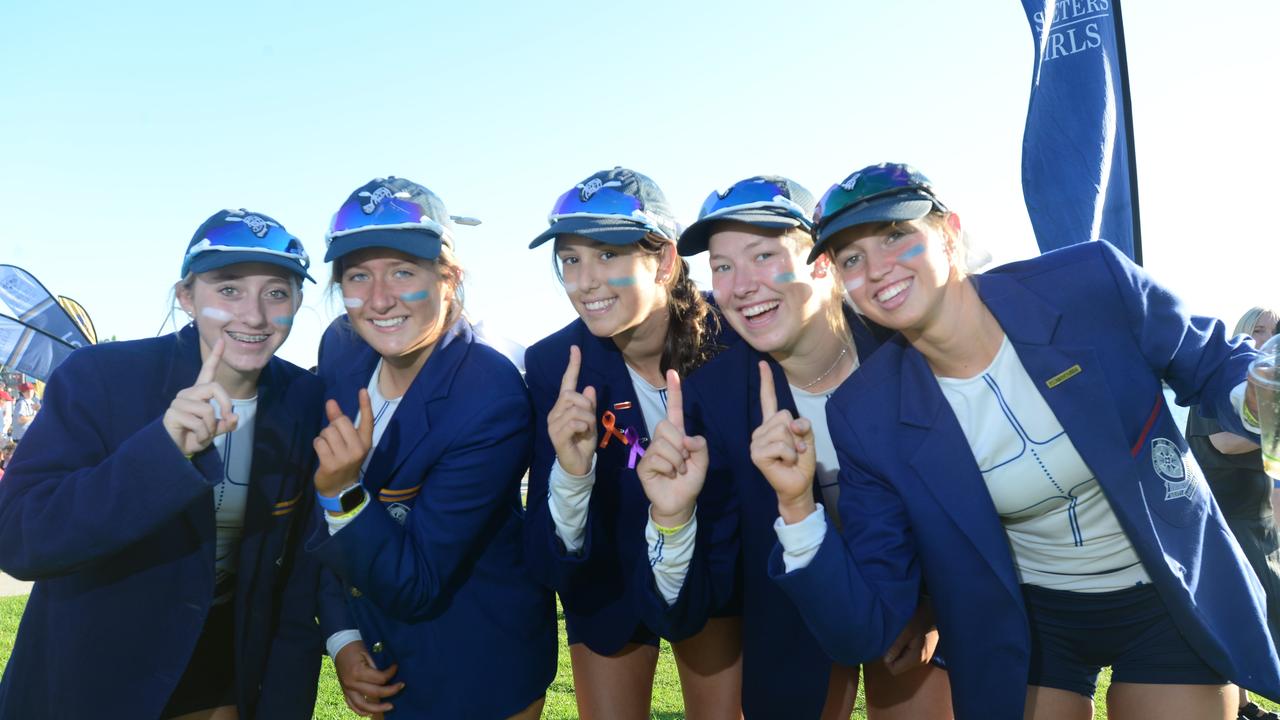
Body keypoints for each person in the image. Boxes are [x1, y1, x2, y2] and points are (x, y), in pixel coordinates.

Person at [762, 162, 1280, 719]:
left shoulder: (1088, 283)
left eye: (896, 235)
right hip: (1028, 619)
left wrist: (1253, 397)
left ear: (950, 232)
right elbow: (865, 628)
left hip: (1164, 591)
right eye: (851, 259)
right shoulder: (866, 413)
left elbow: (1212, 362)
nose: (878, 268)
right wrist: (797, 509)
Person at [635, 175, 952, 718]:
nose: (739, 287)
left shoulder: (909, 354)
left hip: (918, 613)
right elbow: (691, 606)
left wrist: (937, 607)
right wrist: (672, 519)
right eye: (723, 266)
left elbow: (971, 508)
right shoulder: (716, 397)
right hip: (795, 626)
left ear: (823, 262)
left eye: (763, 255)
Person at [0, 208, 325, 719]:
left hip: (224, 678)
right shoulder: (102, 378)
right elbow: (20, 538)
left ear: (298, 303)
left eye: (277, 292)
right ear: (186, 296)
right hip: (94, 680)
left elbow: (292, 576)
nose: (255, 315)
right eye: (229, 288)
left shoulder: (304, 399)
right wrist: (163, 451)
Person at [308, 176, 557, 719]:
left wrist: (342, 493)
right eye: (358, 276)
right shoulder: (343, 349)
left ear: (449, 279)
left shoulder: (488, 394)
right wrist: (344, 638)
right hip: (382, 658)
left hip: (477, 670)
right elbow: (318, 522)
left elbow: (415, 582)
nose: (379, 299)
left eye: (403, 271)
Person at [522, 167, 743, 720]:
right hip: (611, 578)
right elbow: (551, 549)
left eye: (608, 255)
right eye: (570, 259)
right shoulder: (554, 364)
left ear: (665, 260)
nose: (584, 281)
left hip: (715, 568)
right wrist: (573, 475)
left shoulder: (737, 337)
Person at [1186, 306, 1280, 720]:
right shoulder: (1219, 386)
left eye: (1274, 332)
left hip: (1261, 520)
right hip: (1227, 522)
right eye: (1259, 330)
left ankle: (1244, 706)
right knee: (1248, 618)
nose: (1266, 339)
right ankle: (1242, 705)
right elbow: (1225, 442)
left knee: (1250, 618)